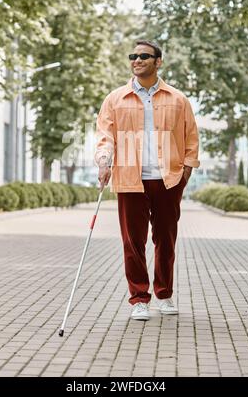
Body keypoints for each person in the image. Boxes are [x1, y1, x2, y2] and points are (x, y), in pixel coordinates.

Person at [95, 40, 200, 320]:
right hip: (130, 178)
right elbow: (105, 136)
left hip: (168, 179)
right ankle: (139, 298)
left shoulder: (178, 99)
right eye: (134, 56)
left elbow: (191, 137)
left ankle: (164, 295)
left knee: (165, 240)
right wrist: (104, 161)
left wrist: (187, 170)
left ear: (158, 61)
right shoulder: (115, 99)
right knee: (133, 242)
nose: (137, 60)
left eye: (144, 56)